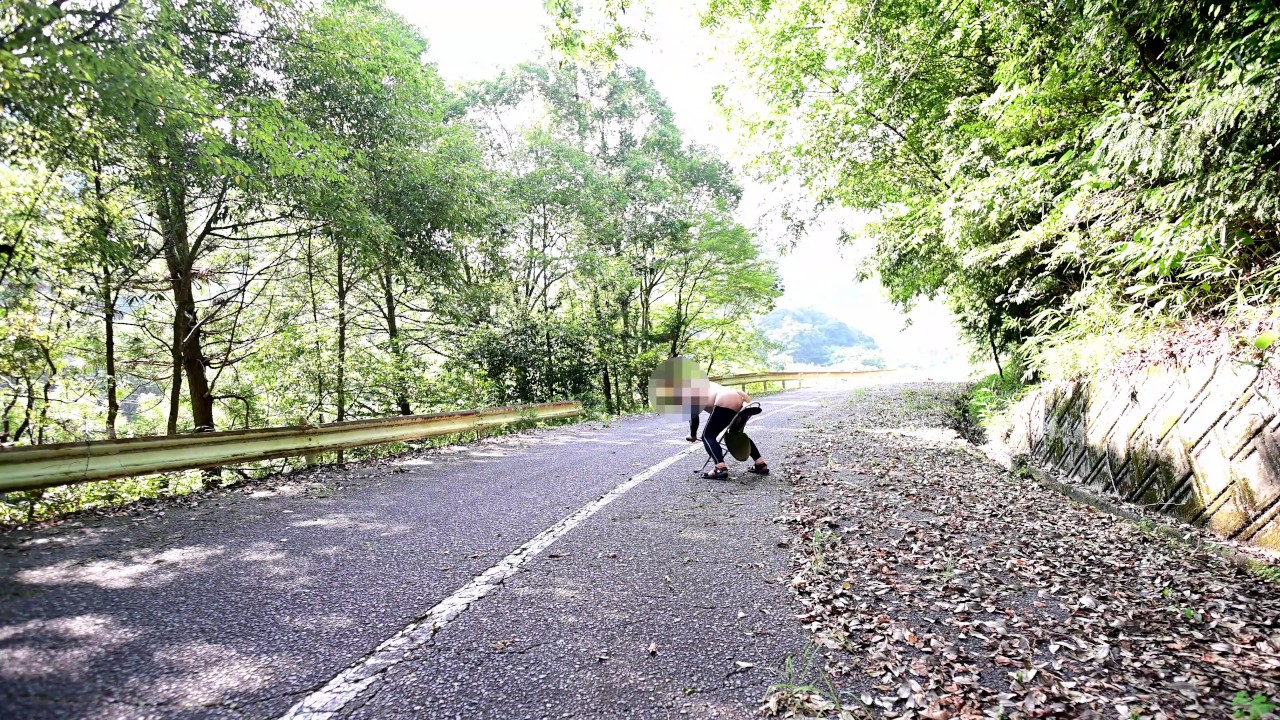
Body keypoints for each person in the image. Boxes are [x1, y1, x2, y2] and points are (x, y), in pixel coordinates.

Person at [687, 380, 768, 480]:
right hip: (740, 400)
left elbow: (693, 417)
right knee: (736, 434)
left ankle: (720, 468)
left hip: (723, 401)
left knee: (708, 436)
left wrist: (693, 435)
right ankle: (760, 464)